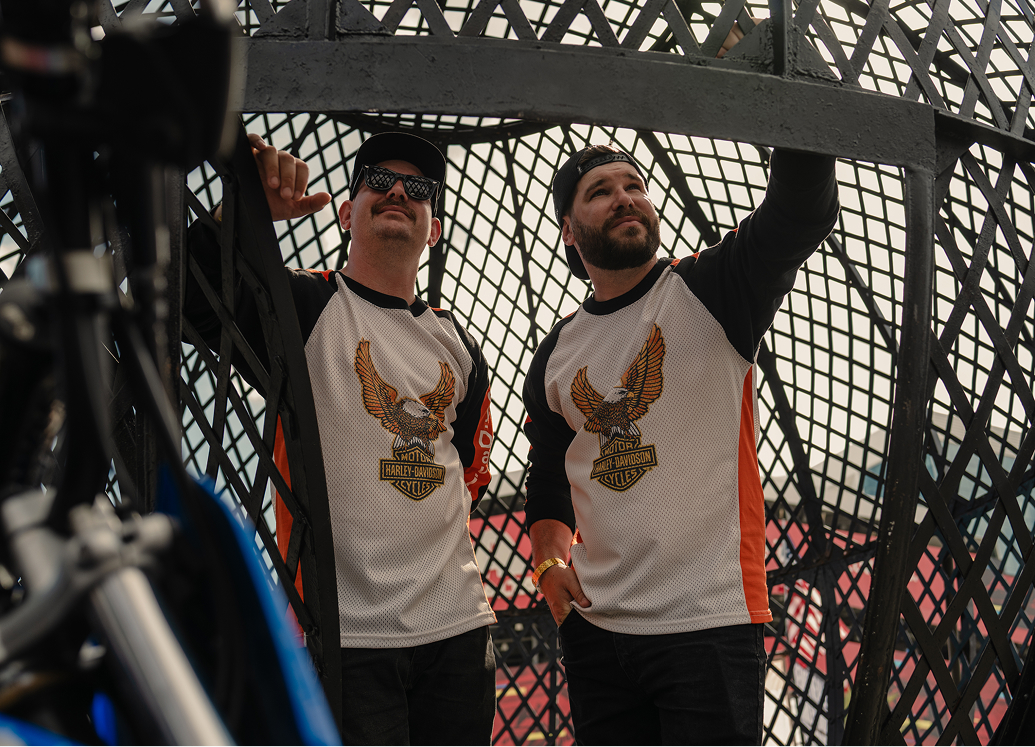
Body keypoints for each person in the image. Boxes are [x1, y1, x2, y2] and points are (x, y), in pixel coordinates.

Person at [184, 131, 497, 744]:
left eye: (420, 188)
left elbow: (466, 472)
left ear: (433, 228)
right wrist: (241, 212)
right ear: (348, 212)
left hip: (458, 629)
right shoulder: (305, 303)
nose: (399, 191)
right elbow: (190, 299)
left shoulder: (456, 344)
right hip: (346, 631)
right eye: (377, 181)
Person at [522, 142, 839, 744]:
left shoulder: (714, 285)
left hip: (707, 624)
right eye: (601, 192)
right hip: (598, 632)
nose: (625, 198)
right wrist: (549, 563)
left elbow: (802, 208)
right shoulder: (557, 351)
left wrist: (778, 99)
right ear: (569, 229)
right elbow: (548, 477)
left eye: (633, 185)